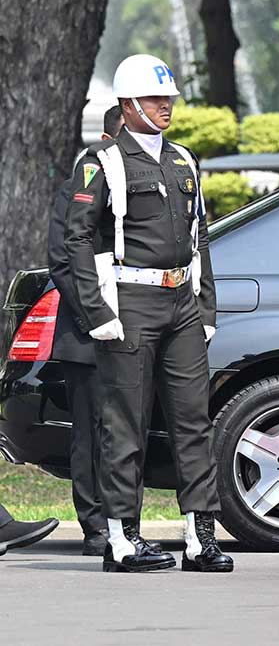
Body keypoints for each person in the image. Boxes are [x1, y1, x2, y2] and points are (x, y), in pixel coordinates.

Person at [64, 54, 232, 573]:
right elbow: (78, 239)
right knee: (125, 424)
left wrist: (205, 308)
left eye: (170, 99)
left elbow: (199, 239)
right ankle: (122, 539)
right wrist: (99, 313)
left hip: (181, 302)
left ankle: (200, 537)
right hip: (130, 305)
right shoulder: (101, 163)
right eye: (157, 99)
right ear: (128, 104)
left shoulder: (183, 160)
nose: (166, 107)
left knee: (193, 422)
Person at [47, 104, 124, 557]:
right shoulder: (80, 184)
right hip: (87, 332)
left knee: (126, 431)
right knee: (92, 433)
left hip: (139, 328)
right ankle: (95, 527)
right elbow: (63, 262)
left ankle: (124, 523)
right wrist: (96, 318)